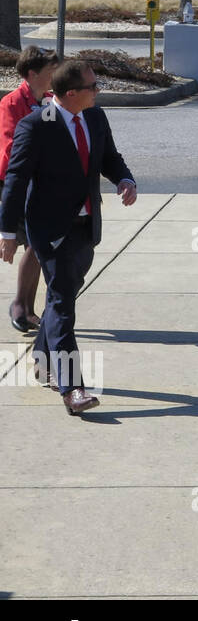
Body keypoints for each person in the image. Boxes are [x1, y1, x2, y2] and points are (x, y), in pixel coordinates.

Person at [0, 60, 137, 414]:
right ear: (71, 94)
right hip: (50, 230)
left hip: (86, 227)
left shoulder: (94, 117)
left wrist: (125, 179)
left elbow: (109, 157)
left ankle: (44, 357)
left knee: (64, 297)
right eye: (93, 87)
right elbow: (15, 180)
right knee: (62, 304)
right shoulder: (36, 125)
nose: (98, 91)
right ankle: (72, 388)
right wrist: (7, 231)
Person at [0, 46, 60, 331]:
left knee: (37, 247)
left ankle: (28, 307)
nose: (55, 76)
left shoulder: (50, 102)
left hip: (43, 186)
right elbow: (10, 148)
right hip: (19, 185)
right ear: (33, 74)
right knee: (35, 245)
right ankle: (20, 307)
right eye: (51, 71)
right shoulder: (12, 103)